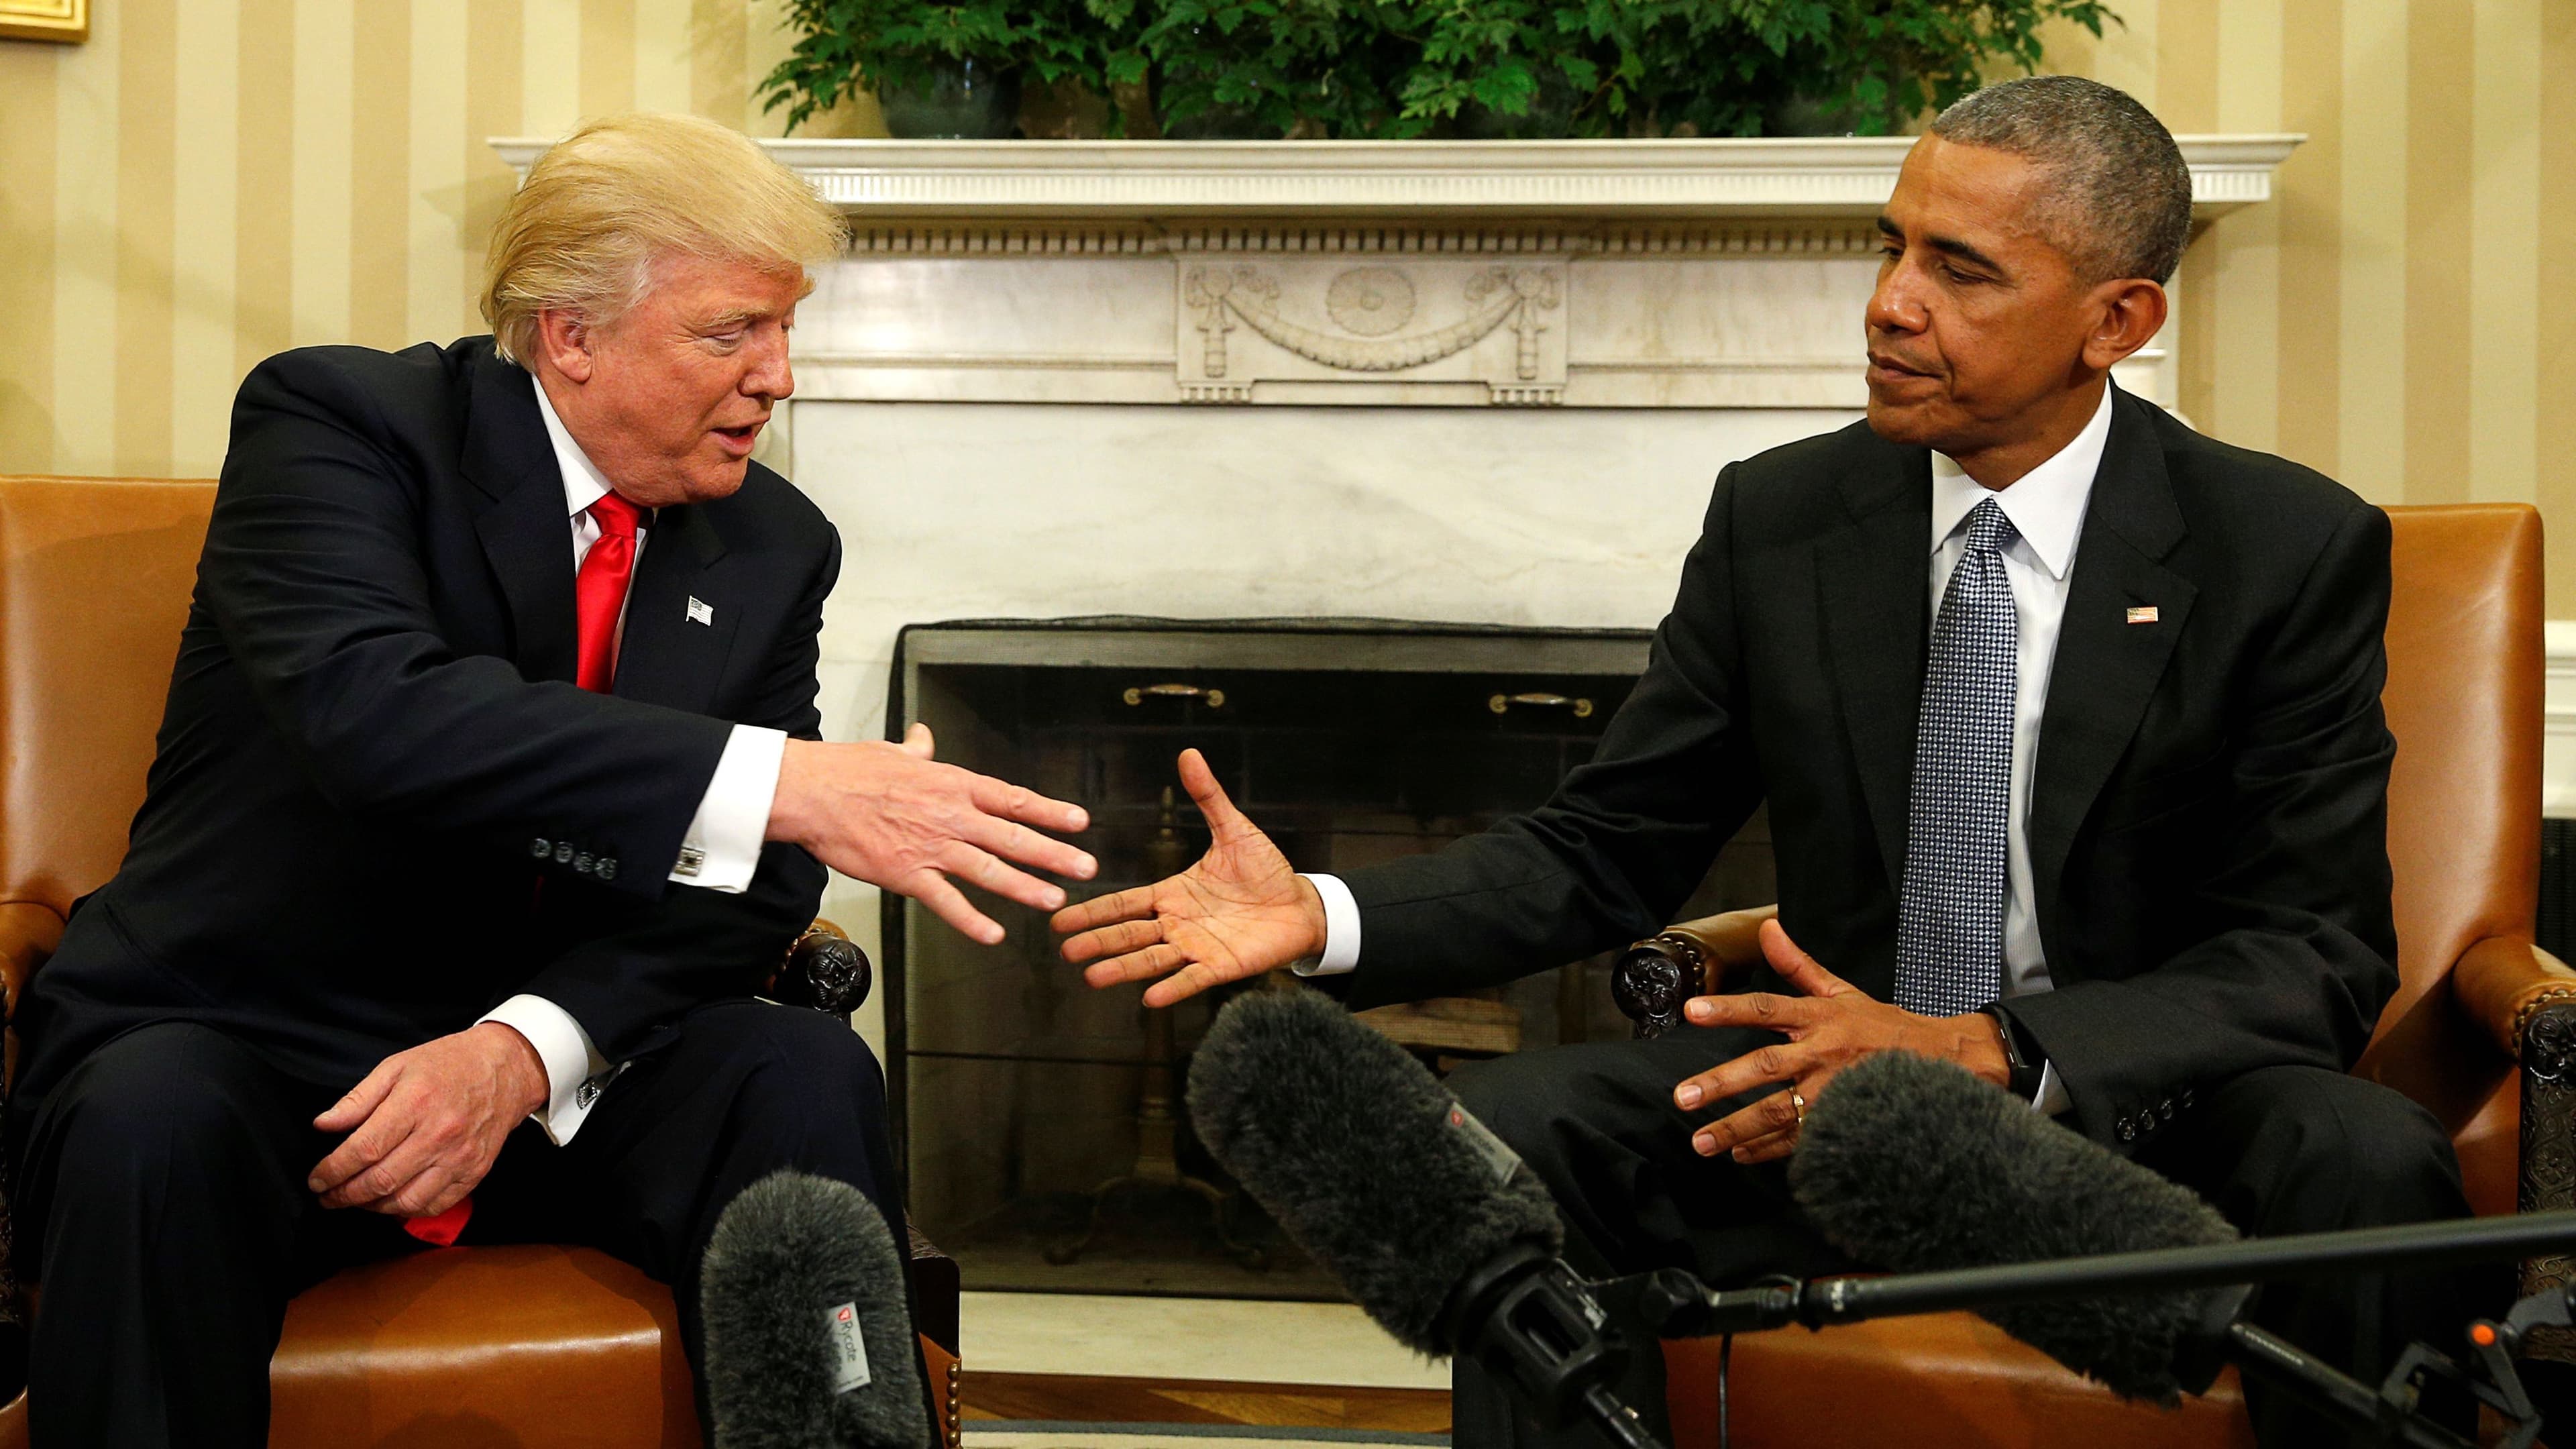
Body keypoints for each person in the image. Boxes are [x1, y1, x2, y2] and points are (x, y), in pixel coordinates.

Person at [1055, 76, 2489, 1448]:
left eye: (1963, 270)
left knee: (2364, 1157)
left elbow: (2312, 955)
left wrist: (1995, 1051)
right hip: (1831, 1102)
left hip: (2150, 1114)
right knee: (1514, 1132)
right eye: (1892, 245)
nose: (1890, 304)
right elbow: (1604, 845)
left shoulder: (2279, 547)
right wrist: (1327, 913)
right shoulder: (1786, 520)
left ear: (2117, 319)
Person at [4, 113, 1096, 1446]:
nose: (780, 378)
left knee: (797, 1071)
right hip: (255, 1039)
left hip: (554, 1074)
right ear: (572, 335)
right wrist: (781, 780)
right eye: (732, 333)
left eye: (785, 331)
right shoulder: (344, 424)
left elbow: (754, 888)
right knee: (145, 1120)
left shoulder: (771, 541)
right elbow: (376, 715)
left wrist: (527, 1051)